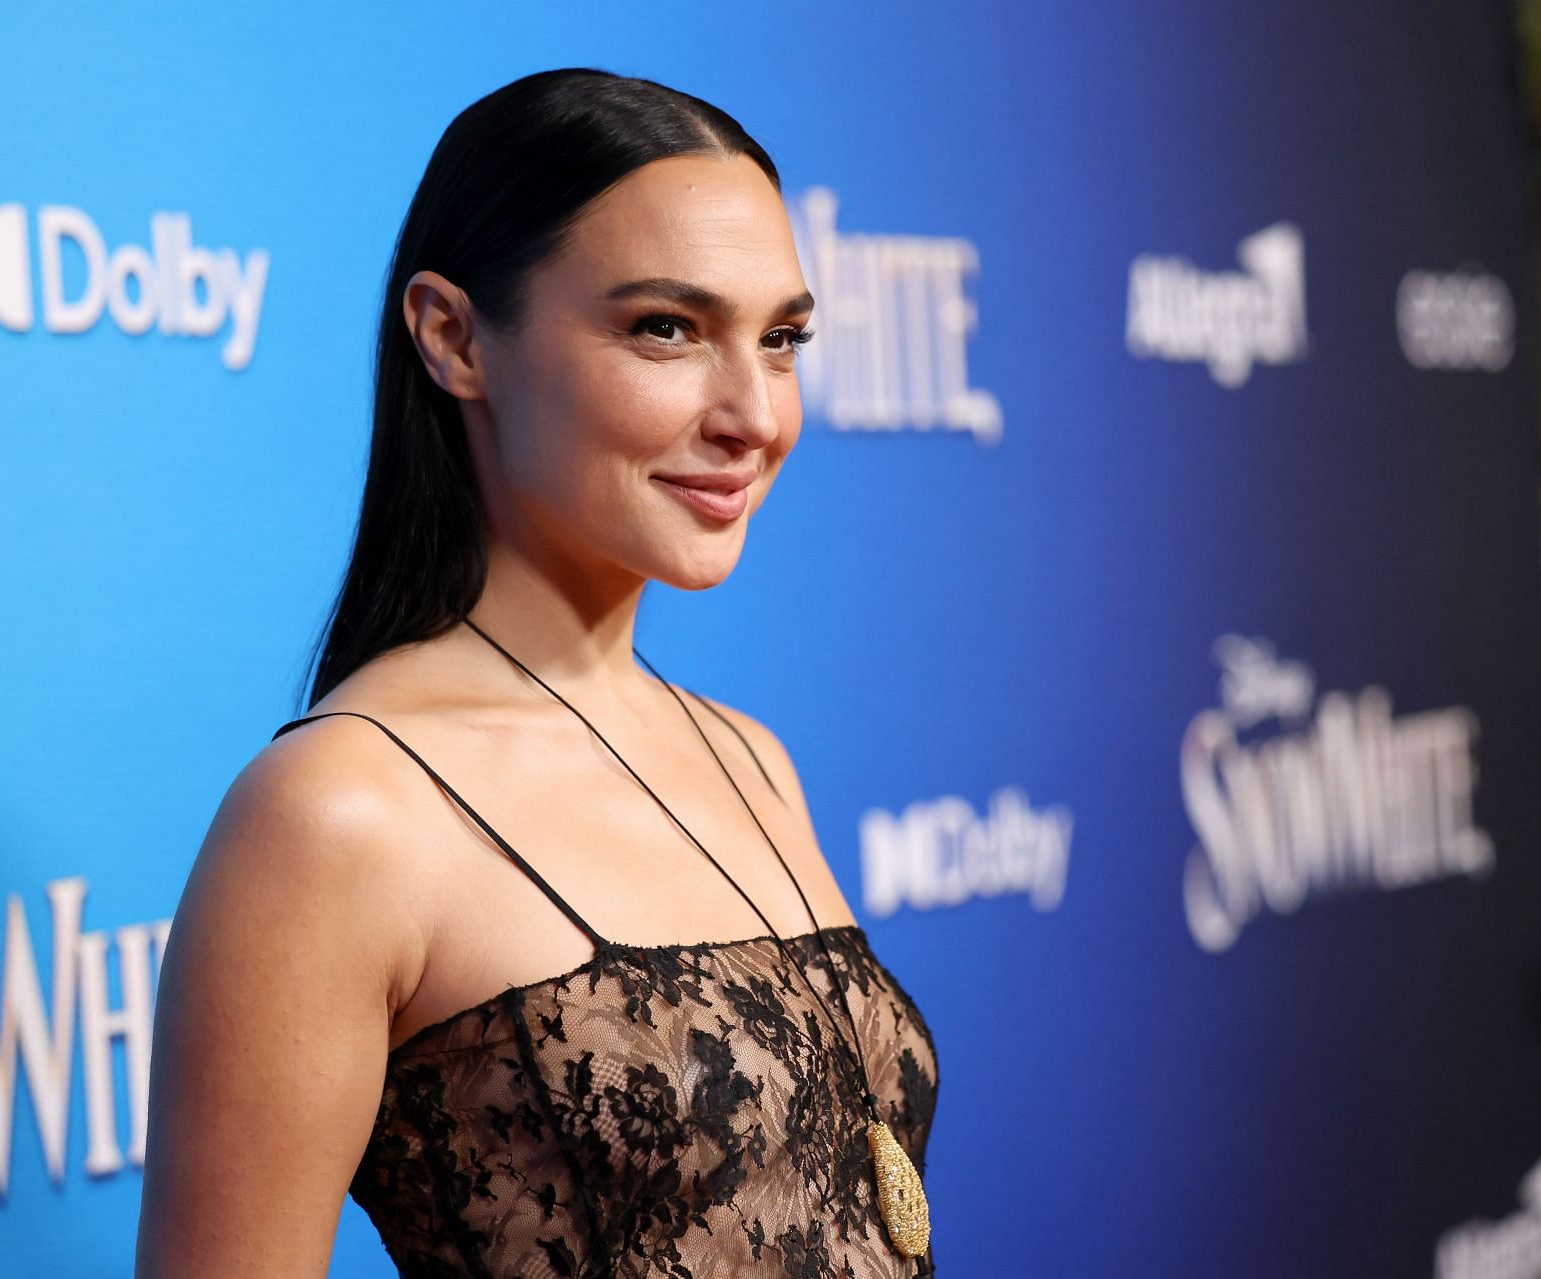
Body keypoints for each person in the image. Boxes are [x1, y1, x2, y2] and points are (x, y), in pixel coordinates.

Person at [134, 68, 938, 1278]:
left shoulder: (748, 755)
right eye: (667, 328)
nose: (753, 414)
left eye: (780, 340)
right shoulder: (340, 817)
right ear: (453, 336)